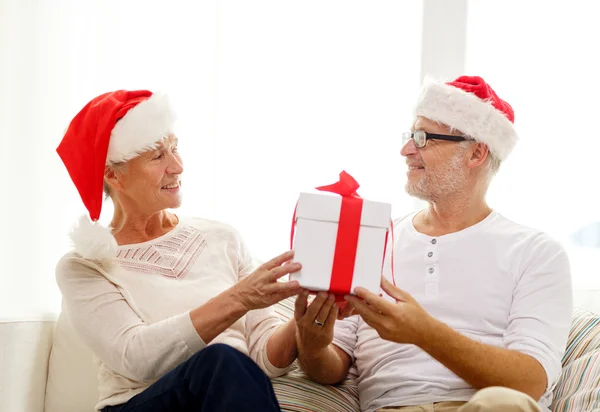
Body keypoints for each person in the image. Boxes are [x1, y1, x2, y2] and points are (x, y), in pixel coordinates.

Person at [294, 76, 573, 412]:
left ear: (476, 153)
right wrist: (312, 348)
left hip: (489, 408)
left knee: (501, 404)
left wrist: (424, 332)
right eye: (410, 136)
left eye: (423, 137)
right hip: (393, 408)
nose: (406, 149)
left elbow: (529, 383)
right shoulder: (376, 239)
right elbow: (331, 366)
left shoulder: (536, 252)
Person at [55, 90, 304, 412]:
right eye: (158, 157)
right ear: (113, 175)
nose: (178, 166)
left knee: (226, 364)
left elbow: (265, 359)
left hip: (224, 398)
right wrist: (239, 298)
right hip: (139, 404)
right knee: (220, 360)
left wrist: (303, 322)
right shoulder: (84, 267)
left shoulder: (222, 237)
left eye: (175, 149)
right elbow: (135, 357)